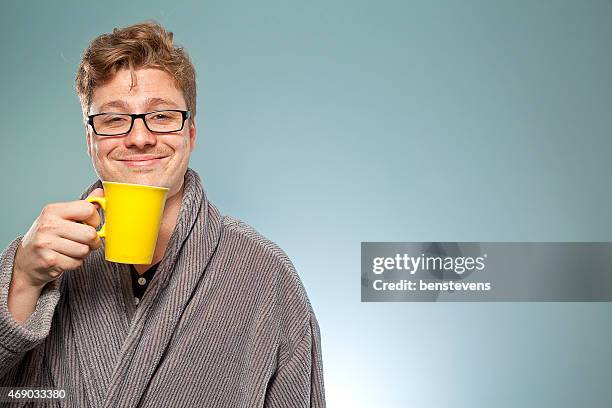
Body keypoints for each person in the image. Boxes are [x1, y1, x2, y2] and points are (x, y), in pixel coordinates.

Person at [0, 21, 325, 407]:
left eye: (162, 115)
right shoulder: (39, 261)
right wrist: (22, 279)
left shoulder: (266, 275)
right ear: (91, 140)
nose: (139, 137)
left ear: (190, 134)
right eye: (114, 119)